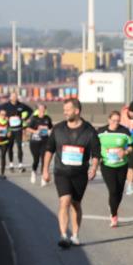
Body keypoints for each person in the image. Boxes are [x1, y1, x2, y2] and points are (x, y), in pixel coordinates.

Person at [42, 98, 100, 249]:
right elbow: (49, 149)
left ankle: (75, 235)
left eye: (68, 109)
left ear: (77, 111)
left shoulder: (89, 130)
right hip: (61, 172)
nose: (65, 112)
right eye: (64, 109)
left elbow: (96, 153)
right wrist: (45, 170)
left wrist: (93, 168)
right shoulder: (58, 129)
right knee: (64, 201)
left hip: (80, 174)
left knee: (76, 204)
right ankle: (63, 235)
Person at [97, 111, 133, 227]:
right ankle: (114, 215)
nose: (116, 123)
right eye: (113, 120)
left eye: (118, 121)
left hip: (122, 165)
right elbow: (94, 145)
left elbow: (132, 146)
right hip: (107, 165)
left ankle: (113, 205)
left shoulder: (124, 131)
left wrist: (126, 151)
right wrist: (97, 158)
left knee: (119, 191)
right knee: (113, 190)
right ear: (109, 120)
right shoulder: (101, 132)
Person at [0, 93, 34, 172]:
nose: (15, 98)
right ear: (10, 98)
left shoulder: (21, 105)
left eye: (16, 97)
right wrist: (3, 117)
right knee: (10, 147)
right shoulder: (6, 105)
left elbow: (30, 110)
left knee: (19, 146)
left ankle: (20, 165)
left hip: (18, 129)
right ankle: (11, 164)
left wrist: (24, 118)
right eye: (13, 97)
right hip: (9, 129)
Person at [26, 103, 54, 186]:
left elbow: (51, 127)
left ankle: (43, 178)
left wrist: (50, 131)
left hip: (45, 141)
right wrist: (35, 131)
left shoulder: (47, 118)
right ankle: (34, 172)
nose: (42, 110)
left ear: (45, 110)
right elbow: (27, 128)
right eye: (40, 109)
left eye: (43, 109)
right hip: (35, 142)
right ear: (38, 110)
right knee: (36, 160)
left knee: (43, 160)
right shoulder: (34, 118)